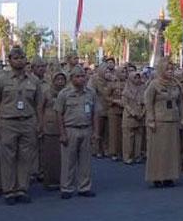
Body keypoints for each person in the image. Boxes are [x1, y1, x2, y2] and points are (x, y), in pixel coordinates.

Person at [0, 47, 43, 205]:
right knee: (8, 157)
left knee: (25, 157)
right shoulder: (1, 79)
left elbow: (38, 105)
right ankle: (9, 191)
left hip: (28, 122)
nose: (20, 60)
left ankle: (22, 189)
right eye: (16, 58)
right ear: (9, 60)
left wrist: (39, 123)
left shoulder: (34, 80)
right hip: (8, 122)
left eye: (22, 57)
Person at [56, 65, 99, 199]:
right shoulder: (64, 94)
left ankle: (84, 187)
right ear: (71, 78)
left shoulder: (91, 93)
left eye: (83, 76)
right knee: (68, 161)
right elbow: (59, 114)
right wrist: (62, 133)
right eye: (78, 76)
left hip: (86, 129)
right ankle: (66, 188)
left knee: (85, 161)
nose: (81, 79)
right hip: (70, 129)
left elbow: (95, 113)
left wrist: (96, 132)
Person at [144, 57, 183, 187]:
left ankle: (169, 176)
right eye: (167, 69)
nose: (170, 72)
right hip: (159, 121)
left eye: (172, 69)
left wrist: (181, 118)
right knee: (158, 150)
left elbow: (180, 103)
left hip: (172, 120)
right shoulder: (154, 84)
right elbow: (148, 103)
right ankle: (157, 176)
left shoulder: (176, 84)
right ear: (161, 70)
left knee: (171, 150)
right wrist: (150, 120)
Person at [41, 71, 66, 189]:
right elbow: (39, 109)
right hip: (49, 126)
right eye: (58, 79)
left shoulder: (67, 93)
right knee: (50, 155)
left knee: (63, 156)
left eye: (62, 79)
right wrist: (40, 124)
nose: (60, 82)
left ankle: (63, 180)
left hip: (64, 126)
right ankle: (50, 181)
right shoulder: (46, 93)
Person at [121, 69, 145, 164]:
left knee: (139, 137)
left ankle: (137, 155)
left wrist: (142, 113)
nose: (137, 79)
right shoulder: (126, 90)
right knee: (128, 138)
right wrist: (133, 113)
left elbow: (145, 103)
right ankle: (127, 157)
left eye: (138, 77)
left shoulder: (142, 89)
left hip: (140, 116)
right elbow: (125, 104)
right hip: (129, 117)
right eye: (135, 77)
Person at [108, 65, 126, 161]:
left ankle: (122, 151)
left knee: (123, 133)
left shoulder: (128, 83)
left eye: (125, 72)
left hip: (124, 110)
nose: (124, 74)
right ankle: (113, 152)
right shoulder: (112, 83)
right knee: (114, 132)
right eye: (122, 72)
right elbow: (106, 96)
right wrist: (114, 101)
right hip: (114, 110)